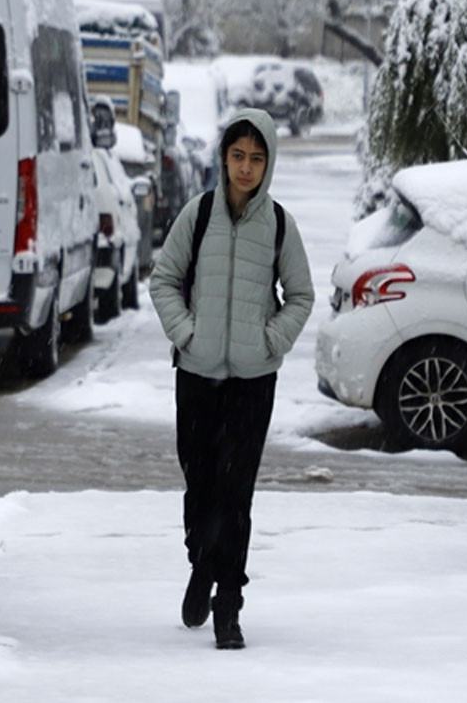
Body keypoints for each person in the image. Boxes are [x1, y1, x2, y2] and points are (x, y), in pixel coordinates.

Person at [148, 108, 314, 650]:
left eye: (257, 158)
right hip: (196, 375)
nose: (246, 168)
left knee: (235, 494)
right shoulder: (197, 216)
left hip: (252, 382)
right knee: (201, 487)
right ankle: (202, 565)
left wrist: (270, 341)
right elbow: (164, 279)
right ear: (224, 158)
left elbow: (302, 295)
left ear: (269, 164)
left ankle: (228, 606)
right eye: (238, 156)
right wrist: (186, 333)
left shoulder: (280, 225)